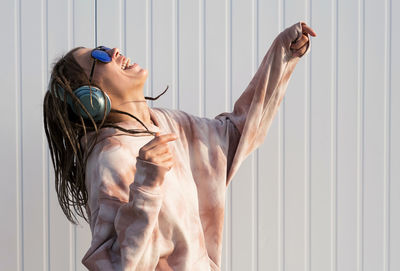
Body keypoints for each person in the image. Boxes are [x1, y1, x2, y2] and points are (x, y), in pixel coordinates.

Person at [43, 21, 316, 270]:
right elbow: (118, 265)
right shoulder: (110, 158)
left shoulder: (165, 123)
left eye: (103, 47)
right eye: (98, 56)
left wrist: (282, 56)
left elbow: (236, 132)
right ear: (91, 98)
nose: (113, 51)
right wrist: (146, 186)